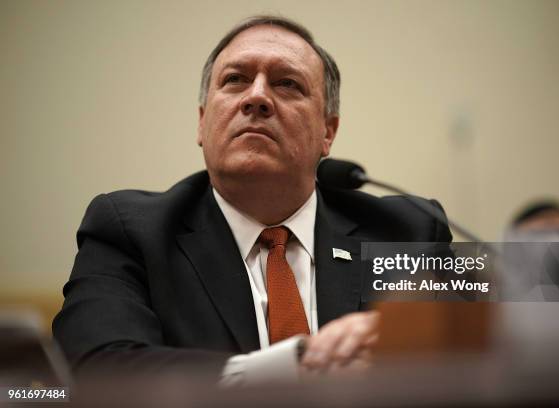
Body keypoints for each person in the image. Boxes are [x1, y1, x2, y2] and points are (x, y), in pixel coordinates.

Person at [53, 15, 452, 386]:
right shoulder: (131, 232)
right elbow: (102, 367)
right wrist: (295, 365)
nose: (257, 98)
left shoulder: (409, 231)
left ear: (327, 132)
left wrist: (403, 340)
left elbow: (495, 346)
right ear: (202, 120)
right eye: (235, 80)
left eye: (287, 84)